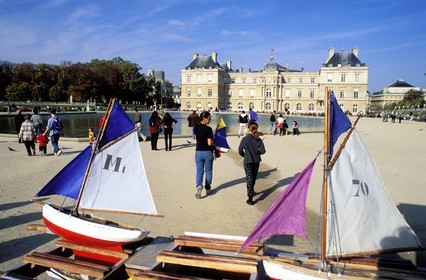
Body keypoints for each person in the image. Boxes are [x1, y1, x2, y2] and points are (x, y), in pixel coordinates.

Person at [238, 121, 266, 205]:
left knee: (249, 178)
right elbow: (263, 151)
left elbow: (240, 150)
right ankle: (251, 191)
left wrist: (244, 155)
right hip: (256, 161)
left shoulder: (245, 139)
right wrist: (257, 152)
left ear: (248, 129)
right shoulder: (258, 139)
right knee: (253, 177)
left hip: (248, 161)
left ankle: (250, 197)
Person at [194, 111, 215, 199]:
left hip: (198, 152)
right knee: (208, 171)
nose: (210, 120)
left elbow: (196, 140)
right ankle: (208, 188)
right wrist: (215, 144)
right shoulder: (209, 129)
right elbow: (209, 143)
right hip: (207, 152)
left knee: (199, 171)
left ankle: (199, 186)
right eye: (209, 118)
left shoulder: (195, 128)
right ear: (204, 118)